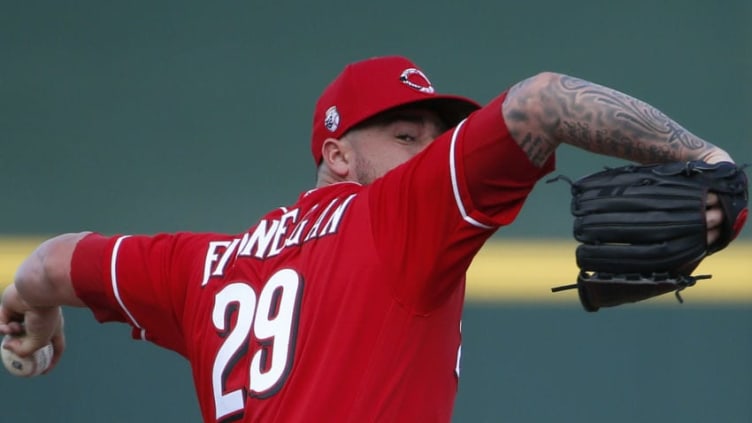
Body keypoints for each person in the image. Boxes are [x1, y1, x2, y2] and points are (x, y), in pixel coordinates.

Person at [0, 55, 734, 422]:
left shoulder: (202, 266)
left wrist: (31, 304)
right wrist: (707, 162)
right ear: (337, 155)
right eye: (405, 134)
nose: (429, 151)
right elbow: (544, 102)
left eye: (436, 136)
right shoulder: (398, 217)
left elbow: (57, 260)